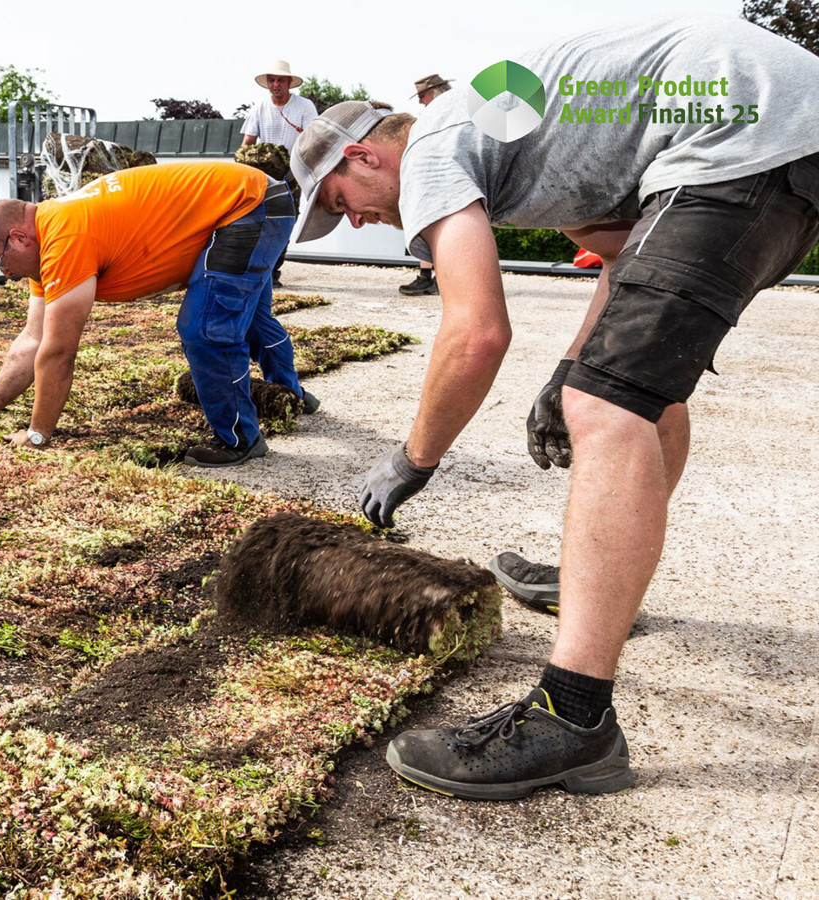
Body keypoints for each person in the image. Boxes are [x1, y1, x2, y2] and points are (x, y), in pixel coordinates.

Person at [289, 15, 819, 800]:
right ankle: (596, 584)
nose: (357, 221)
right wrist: (574, 364)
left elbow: (475, 334)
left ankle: (571, 721)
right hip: (776, 128)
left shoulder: (435, 146)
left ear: (365, 154)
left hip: (742, 131)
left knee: (605, 408)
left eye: (344, 199)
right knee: (631, 393)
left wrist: (412, 460)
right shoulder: (521, 138)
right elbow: (620, 254)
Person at [0, 161, 319, 468]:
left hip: (248, 206)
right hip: (259, 198)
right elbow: (32, 342)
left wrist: (37, 434)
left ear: (19, 238)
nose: (5, 274)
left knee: (205, 328)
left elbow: (58, 352)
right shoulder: (50, 231)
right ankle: (290, 397)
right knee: (249, 316)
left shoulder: (65, 238)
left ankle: (241, 440)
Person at [242, 60, 318, 287]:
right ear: (267, 83)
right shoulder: (259, 109)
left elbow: (313, 140)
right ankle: (258, 267)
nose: (276, 84)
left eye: (280, 80)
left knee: (285, 221)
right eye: (272, 80)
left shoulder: (304, 107)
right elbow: (247, 143)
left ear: (289, 83)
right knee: (259, 221)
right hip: (263, 176)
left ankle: (274, 269)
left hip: (292, 174)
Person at [397, 74, 451, 297]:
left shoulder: (443, 113)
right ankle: (431, 278)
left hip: (443, 176)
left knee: (436, 226)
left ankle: (432, 279)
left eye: (422, 95)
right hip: (436, 175)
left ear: (434, 92)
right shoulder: (442, 111)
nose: (420, 101)